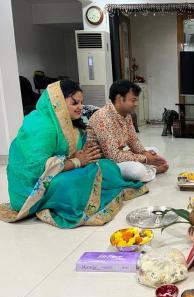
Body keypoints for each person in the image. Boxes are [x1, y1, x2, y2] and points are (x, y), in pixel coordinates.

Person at [0, 80, 148, 228]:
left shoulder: (70, 123)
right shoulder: (41, 125)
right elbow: (38, 167)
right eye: (75, 103)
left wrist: (82, 157)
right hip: (32, 187)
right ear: (58, 103)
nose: (80, 107)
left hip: (63, 169)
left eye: (81, 103)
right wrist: (78, 161)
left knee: (106, 166)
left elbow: (76, 153)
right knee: (72, 182)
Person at [87, 80, 168, 182]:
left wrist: (144, 153)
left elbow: (133, 140)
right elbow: (113, 156)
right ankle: (153, 170)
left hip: (119, 156)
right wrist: (145, 159)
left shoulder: (126, 114)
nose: (136, 104)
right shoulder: (103, 118)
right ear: (119, 98)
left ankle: (147, 168)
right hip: (104, 163)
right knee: (137, 171)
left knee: (154, 150)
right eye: (133, 100)